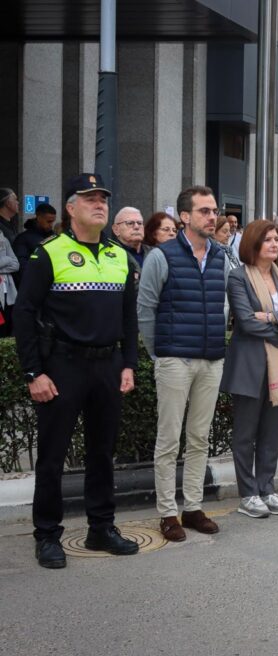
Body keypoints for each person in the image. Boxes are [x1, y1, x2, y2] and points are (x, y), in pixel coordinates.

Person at [13, 173, 139, 569]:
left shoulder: (121, 255)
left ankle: (101, 528)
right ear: (70, 208)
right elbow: (24, 313)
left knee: (102, 454)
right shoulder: (48, 253)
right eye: (89, 199)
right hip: (62, 366)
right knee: (52, 457)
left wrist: (129, 364)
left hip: (107, 366)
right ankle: (47, 535)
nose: (99, 203)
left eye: (103, 198)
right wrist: (34, 373)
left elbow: (129, 318)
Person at [137, 186, 228, 541]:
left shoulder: (220, 256)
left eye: (214, 210)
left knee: (199, 437)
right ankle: (167, 513)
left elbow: (223, 305)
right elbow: (145, 308)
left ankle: (192, 507)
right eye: (204, 210)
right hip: (175, 358)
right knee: (169, 439)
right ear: (185, 217)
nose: (212, 216)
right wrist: (157, 353)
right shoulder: (163, 256)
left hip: (211, 359)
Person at [222, 219, 278, 518]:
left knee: (272, 431)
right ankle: (248, 494)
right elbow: (245, 322)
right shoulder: (238, 277)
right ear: (253, 244)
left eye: (276, 239)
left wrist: (271, 318)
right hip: (250, 363)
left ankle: (267, 489)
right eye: (268, 240)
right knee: (246, 433)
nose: (275, 244)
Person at [13, 203, 57, 284]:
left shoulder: (54, 237)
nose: (51, 225)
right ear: (39, 218)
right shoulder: (23, 238)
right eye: (49, 221)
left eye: (53, 222)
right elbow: (22, 267)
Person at [111, 207, 150, 277]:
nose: (137, 227)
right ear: (116, 229)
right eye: (130, 223)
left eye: (140, 223)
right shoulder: (109, 255)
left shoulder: (154, 253)